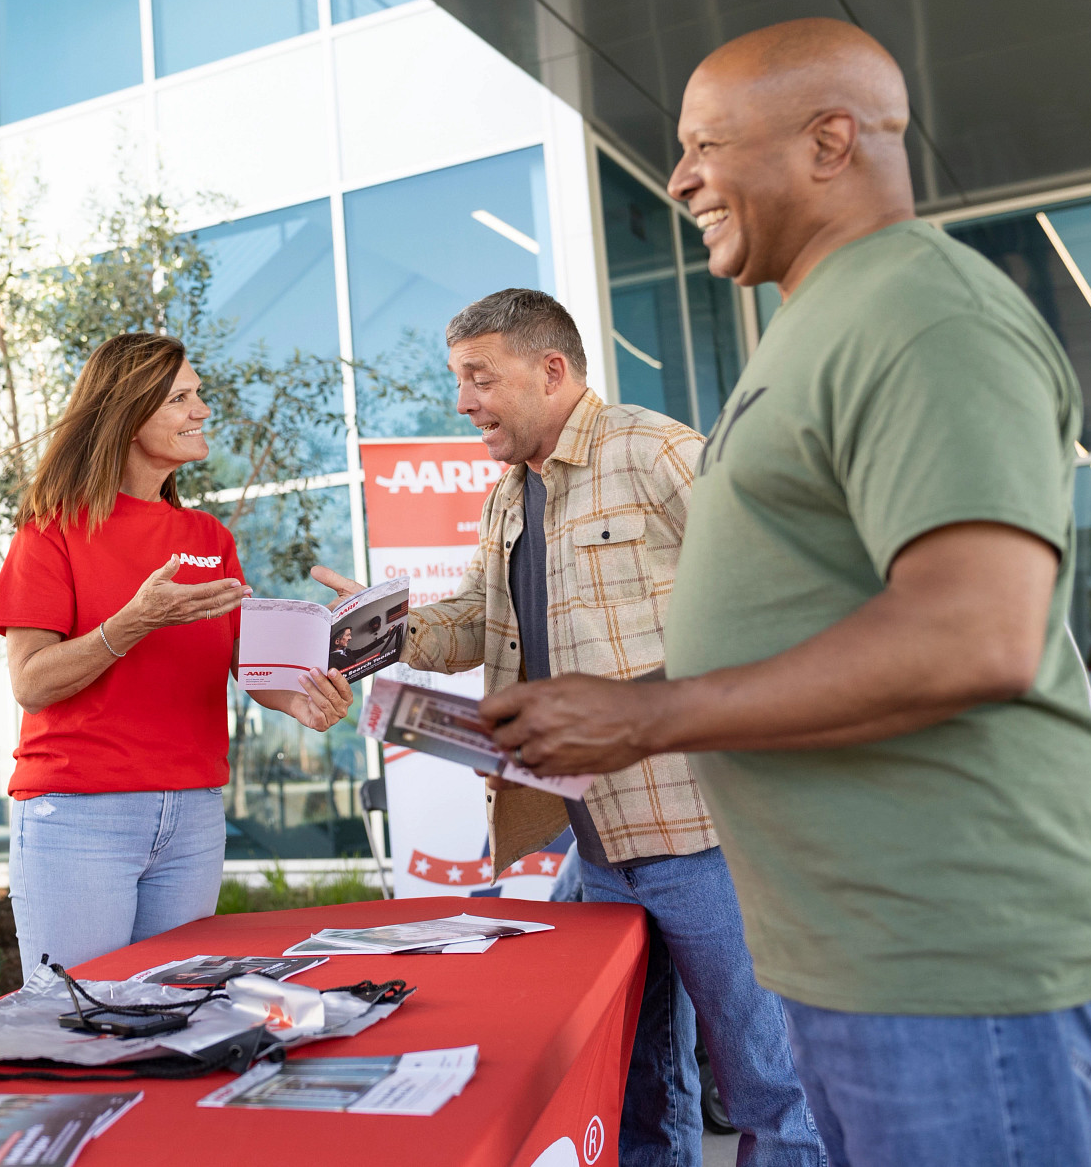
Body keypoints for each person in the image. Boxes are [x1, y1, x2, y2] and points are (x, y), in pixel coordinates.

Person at [478, 20, 1091, 1167]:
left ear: (827, 142)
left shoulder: (920, 315)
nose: (680, 178)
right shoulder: (813, 326)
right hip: (856, 953)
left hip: (951, 964)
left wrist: (643, 715)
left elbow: (971, 634)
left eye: (702, 146)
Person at [314, 289, 823, 1167]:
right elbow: (476, 617)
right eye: (459, 380)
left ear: (552, 370)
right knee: (639, 1083)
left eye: (481, 377)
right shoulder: (508, 493)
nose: (464, 400)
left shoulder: (656, 449)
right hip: (593, 843)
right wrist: (378, 629)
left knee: (773, 1090)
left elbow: (778, 594)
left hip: (705, 833)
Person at [0, 333, 354, 970]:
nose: (202, 411)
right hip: (79, 816)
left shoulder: (209, 536)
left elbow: (252, 668)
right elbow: (31, 683)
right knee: (77, 1020)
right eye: (181, 397)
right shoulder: (52, 530)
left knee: (179, 1016)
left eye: (199, 395)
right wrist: (131, 624)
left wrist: (304, 699)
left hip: (192, 818)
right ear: (129, 415)